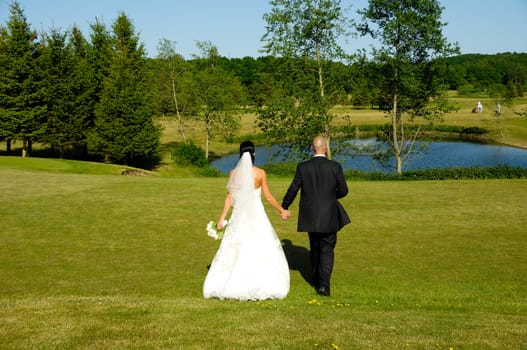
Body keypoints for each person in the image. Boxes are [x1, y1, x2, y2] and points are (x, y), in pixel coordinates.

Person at [203, 141, 290, 300]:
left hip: (239, 216)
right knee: (259, 245)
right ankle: (260, 280)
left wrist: (221, 220)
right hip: (257, 215)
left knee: (237, 245)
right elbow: (268, 197)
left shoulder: (233, 173)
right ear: (253, 154)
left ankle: (232, 282)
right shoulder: (260, 173)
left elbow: (229, 198)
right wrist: (281, 210)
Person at [281, 135, 350, 297]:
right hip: (329, 214)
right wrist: (330, 198)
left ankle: (315, 279)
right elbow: (344, 190)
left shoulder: (303, 167)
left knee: (315, 247)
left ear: (312, 148)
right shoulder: (335, 166)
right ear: (326, 148)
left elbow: (293, 189)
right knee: (327, 249)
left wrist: (285, 205)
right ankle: (324, 285)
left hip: (310, 214)